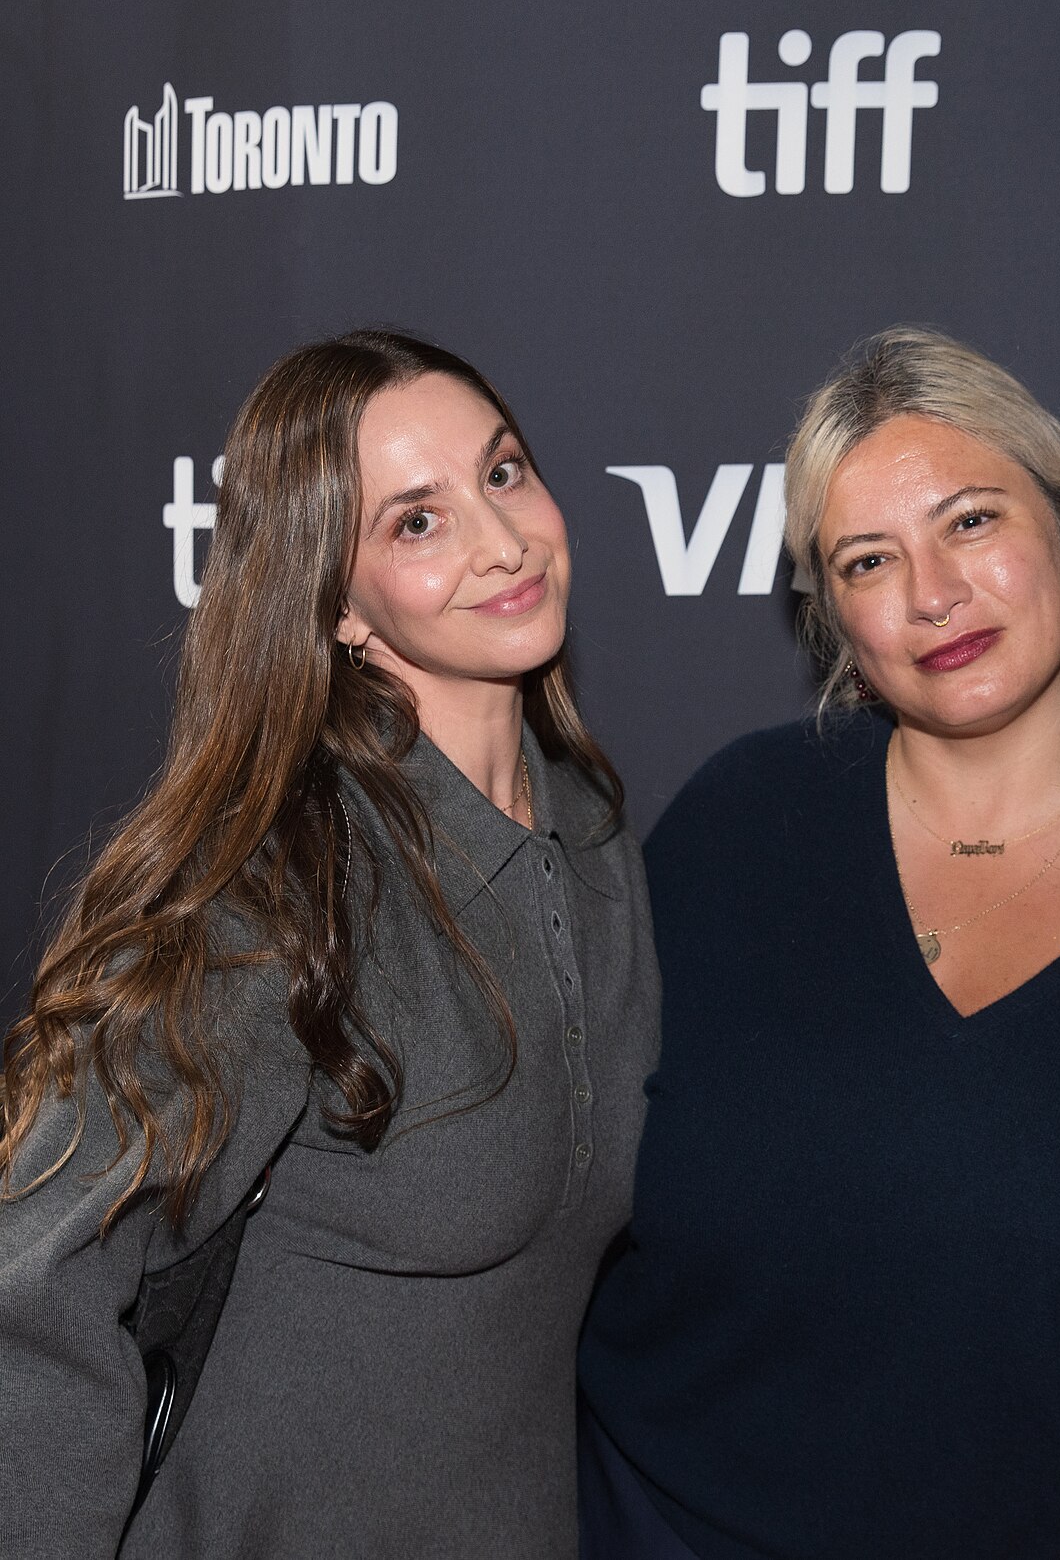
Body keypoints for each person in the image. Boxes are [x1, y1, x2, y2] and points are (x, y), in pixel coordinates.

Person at [0, 330, 660, 1557]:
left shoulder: (598, 838)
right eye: (417, 522)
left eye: (503, 473)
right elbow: (31, 1289)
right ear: (338, 607)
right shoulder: (272, 889)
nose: (502, 540)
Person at [577, 328, 1060, 1560]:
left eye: (970, 523)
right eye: (870, 559)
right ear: (832, 615)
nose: (932, 594)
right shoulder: (736, 828)